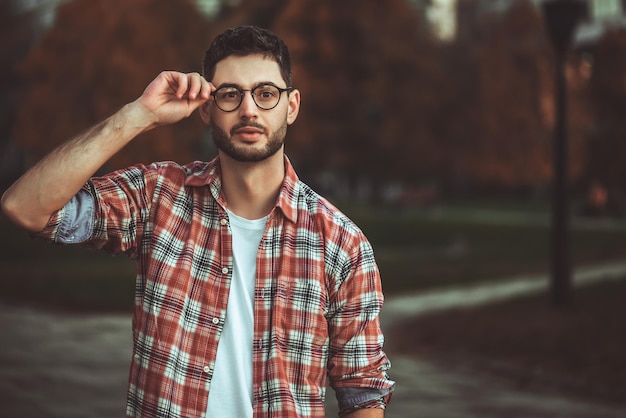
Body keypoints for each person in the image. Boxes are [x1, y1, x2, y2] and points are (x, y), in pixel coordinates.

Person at [1, 26, 394, 417]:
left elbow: (362, 395)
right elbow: (26, 208)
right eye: (230, 95)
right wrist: (138, 115)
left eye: (266, 93)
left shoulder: (341, 243)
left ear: (291, 106)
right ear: (206, 108)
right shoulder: (159, 197)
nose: (249, 110)